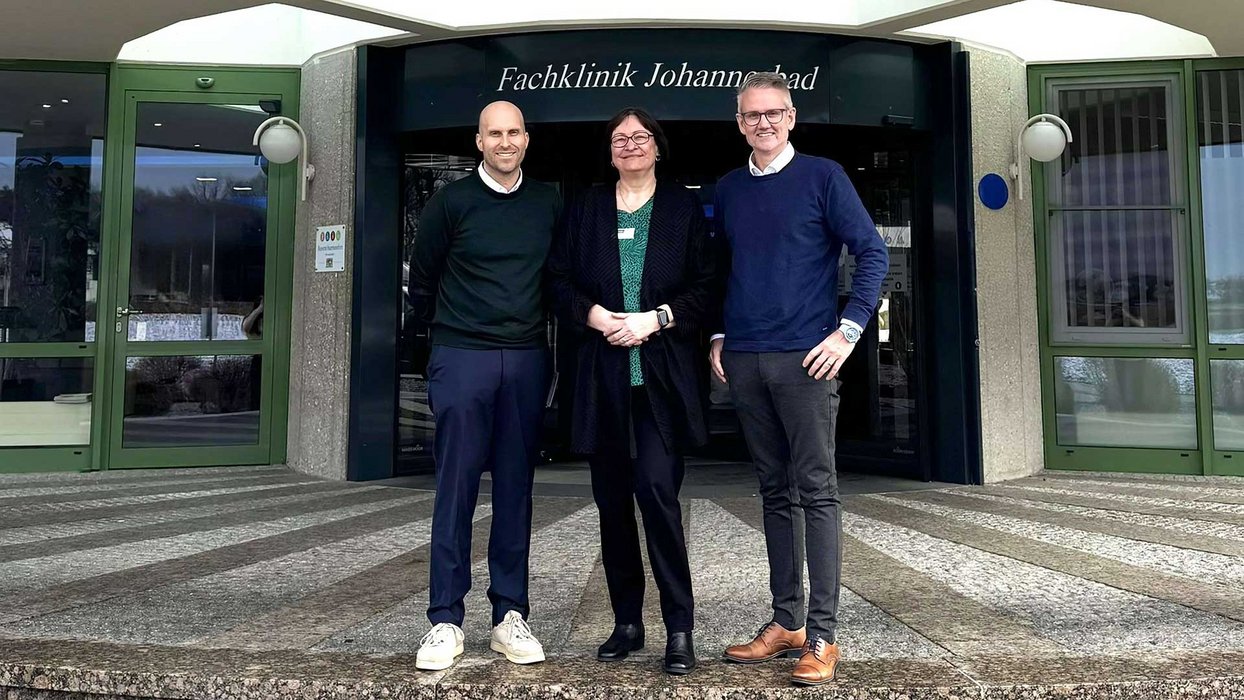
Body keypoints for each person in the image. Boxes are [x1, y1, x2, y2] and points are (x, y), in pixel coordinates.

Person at [711, 73, 888, 686]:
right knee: (772, 490)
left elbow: (872, 253)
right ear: (739, 123)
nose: (763, 122)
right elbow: (722, 269)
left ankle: (823, 635)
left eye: (774, 113)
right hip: (747, 358)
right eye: (751, 115)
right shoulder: (729, 189)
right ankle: (785, 621)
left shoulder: (823, 177)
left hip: (808, 360)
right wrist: (717, 335)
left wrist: (849, 331)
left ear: (792, 118)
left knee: (816, 489)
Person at [548, 107, 716, 675]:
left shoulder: (682, 207)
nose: (630, 145)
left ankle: (679, 626)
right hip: (603, 380)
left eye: (640, 137)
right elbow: (559, 281)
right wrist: (596, 316)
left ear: (658, 147)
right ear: (610, 149)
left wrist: (657, 318)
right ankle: (627, 622)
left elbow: (704, 287)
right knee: (612, 503)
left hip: (662, 381)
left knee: (657, 495)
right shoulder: (587, 208)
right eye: (620, 138)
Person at [408, 100, 560, 671]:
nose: (504, 141)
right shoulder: (450, 202)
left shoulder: (549, 201)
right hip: (462, 355)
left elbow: (557, 277)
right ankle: (444, 620)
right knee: (456, 487)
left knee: (516, 487)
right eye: (493, 133)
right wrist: (438, 349)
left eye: (513, 132)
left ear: (526, 138)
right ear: (479, 141)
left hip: (524, 358)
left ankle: (508, 616)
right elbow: (422, 280)